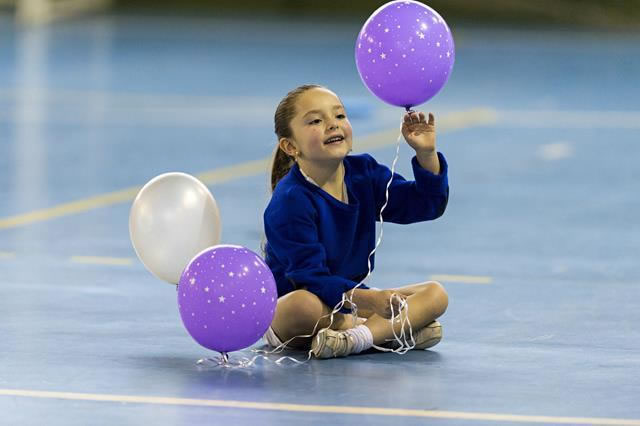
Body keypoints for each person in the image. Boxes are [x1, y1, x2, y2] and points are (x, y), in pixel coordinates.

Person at [262, 84, 449, 359]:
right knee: (305, 305)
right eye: (315, 121)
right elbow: (311, 280)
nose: (332, 125)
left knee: (435, 294)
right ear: (290, 146)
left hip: (349, 301)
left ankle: (355, 339)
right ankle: (384, 333)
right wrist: (370, 300)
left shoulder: (363, 173)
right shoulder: (290, 200)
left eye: (339, 116)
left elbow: (425, 205)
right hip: (299, 311)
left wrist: (426, 154)